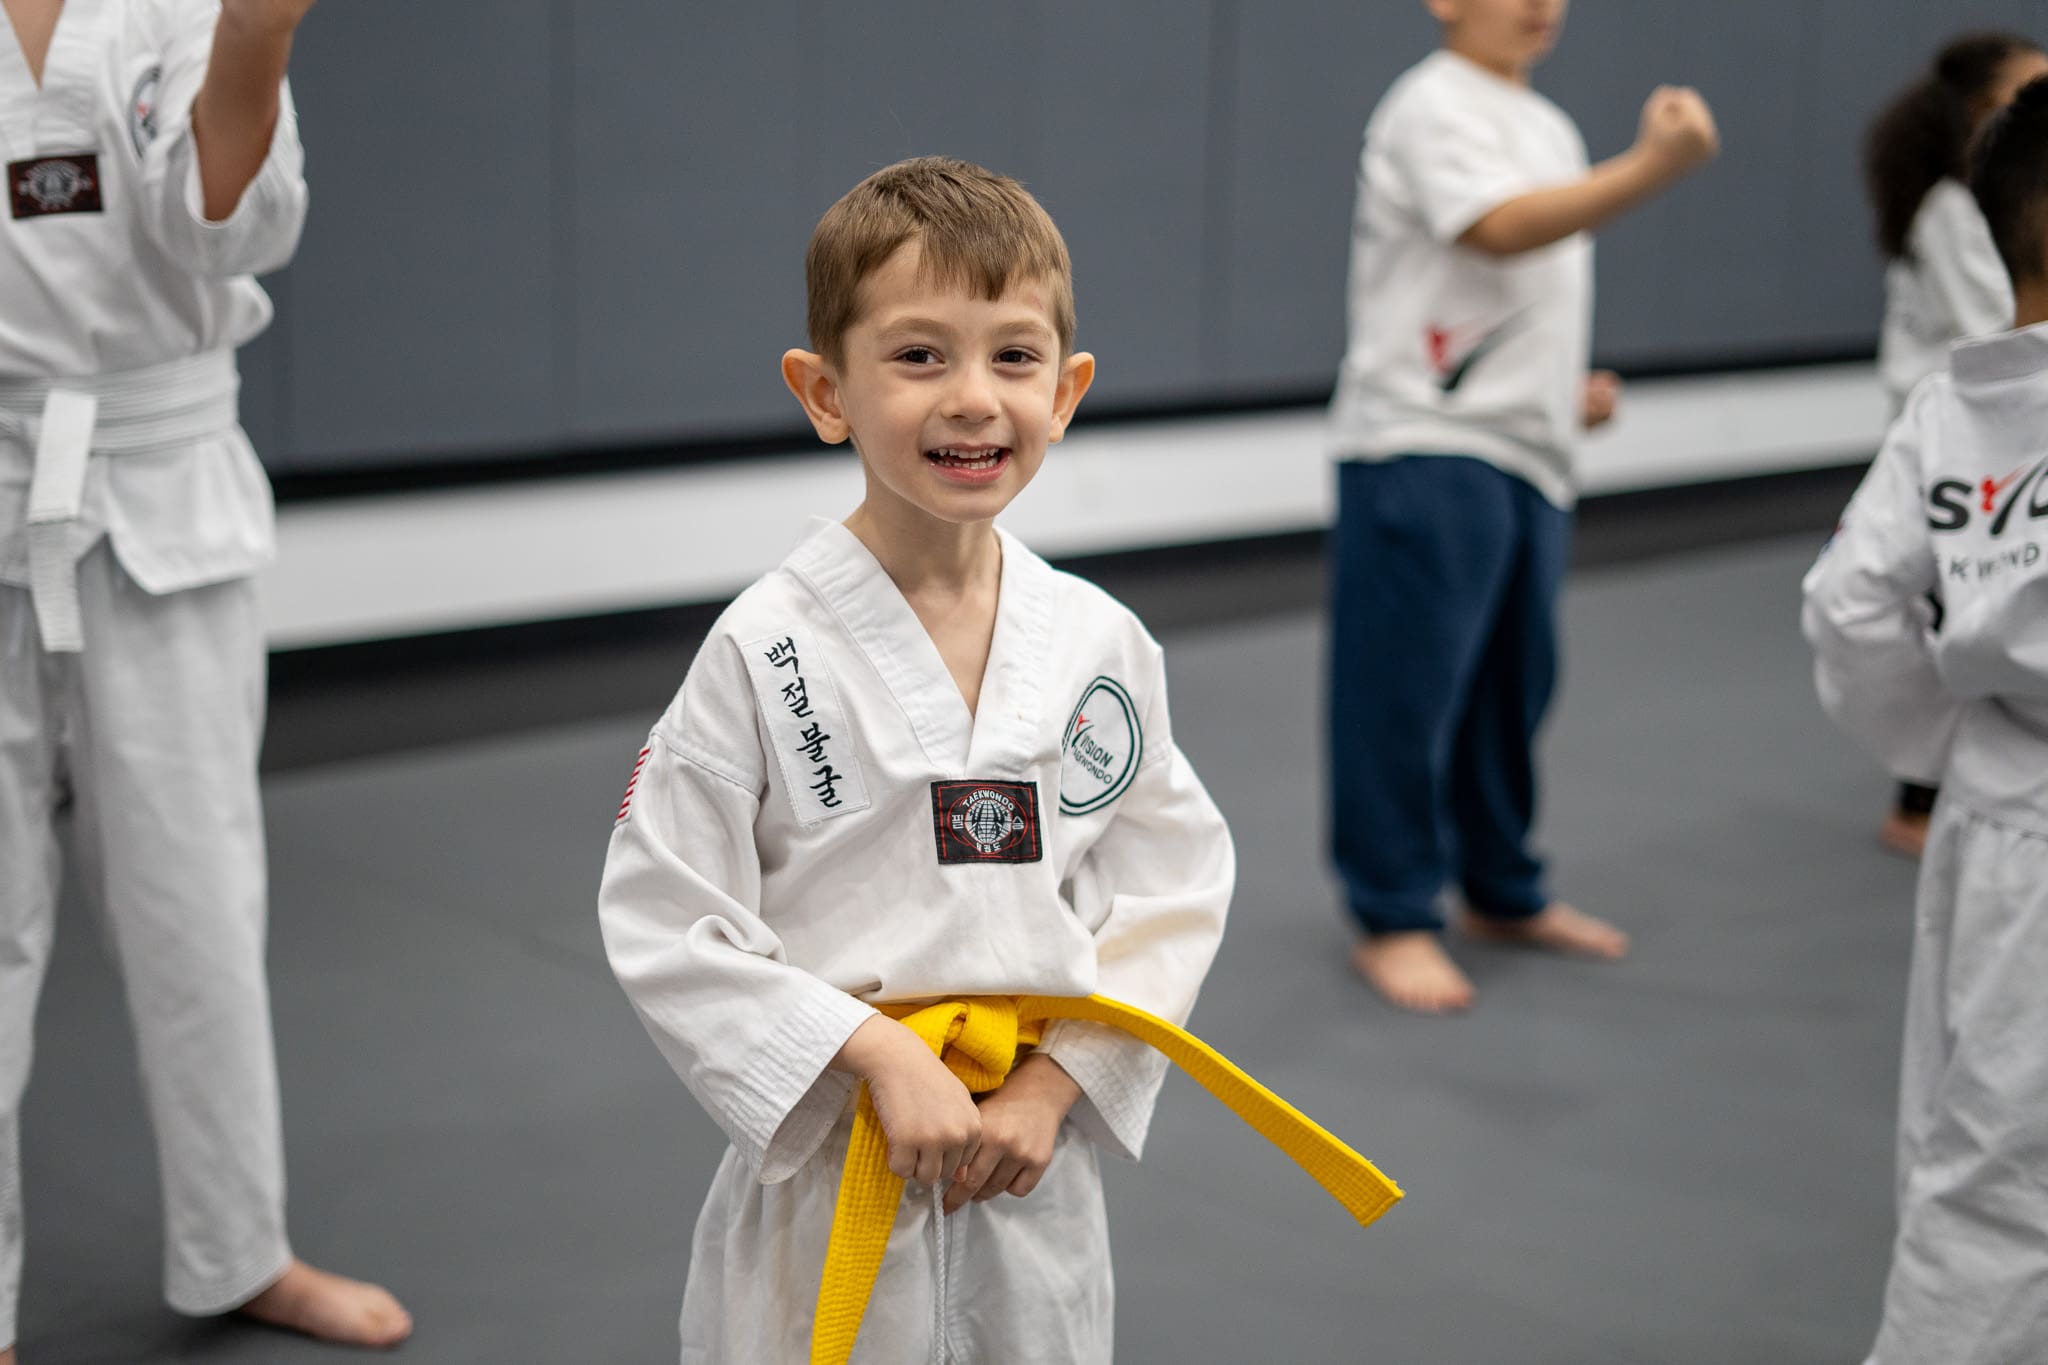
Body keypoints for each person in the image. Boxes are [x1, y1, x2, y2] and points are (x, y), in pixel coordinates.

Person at [597, 156, 1249, 1364]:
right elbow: (661, 913)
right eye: (916, 356)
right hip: (837, 1159)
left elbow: (1171, 885)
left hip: (1026, 1166)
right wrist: (873, 1051)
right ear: (822, 389)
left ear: (1066, 391)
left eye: (1012, 356)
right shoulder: (764, 648)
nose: (971, 398)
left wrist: (1058, 1086)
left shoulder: (1096, 643)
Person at [0, 1, 410, 1357]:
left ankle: (241, 1249)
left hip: (162, 482)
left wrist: (259, 35)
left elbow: (222, 231)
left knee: (196, 908)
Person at [1325, 0, 1719, 1013]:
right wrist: (1655, 166)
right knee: (1402, 694)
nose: (1539, 3)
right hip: (1424, 441)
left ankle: (1500, 888)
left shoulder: (1545, 127)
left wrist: (1562, 388)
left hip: (1525, 452)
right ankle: (1393, 911)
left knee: (1512, 686)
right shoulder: (1427, 105)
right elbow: (1496, 232)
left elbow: (1502, 288)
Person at [1806, 74, 2048, 1365]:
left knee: (1975, 1151)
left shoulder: (1954, 411)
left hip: (1998, 822)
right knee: (2001, 1191)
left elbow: (1849, 608)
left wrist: (1949, 748)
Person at [1860, 30, 2048, 858]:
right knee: (1950, 603)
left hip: (1985, 416)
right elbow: (1994, 324)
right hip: (1955, 422)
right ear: (1984, 112)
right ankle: (1918, 796)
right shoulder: (1952, 209)